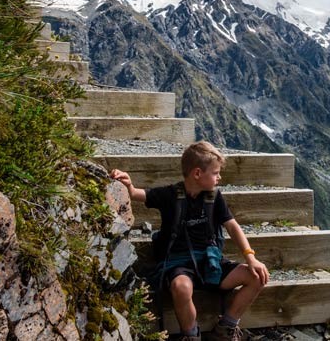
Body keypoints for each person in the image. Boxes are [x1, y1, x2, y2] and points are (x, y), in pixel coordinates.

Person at [110, 141, 270, 341]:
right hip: (179, 264)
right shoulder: (169, 195)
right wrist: (128, 184)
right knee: (181, 288)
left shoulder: (214, 197)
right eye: (215, 172)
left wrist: (250, 257)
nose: (219, 177)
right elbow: (137, 194)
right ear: (197, 174)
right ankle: (191, 335)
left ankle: (226, 328)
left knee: (258, 276)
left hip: (211, 263)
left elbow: (232, 226)